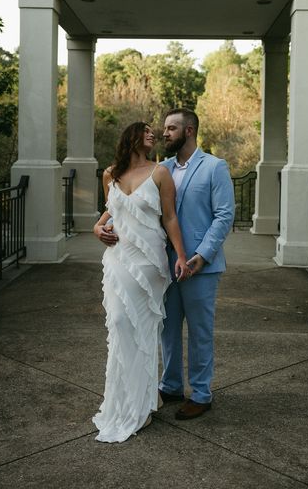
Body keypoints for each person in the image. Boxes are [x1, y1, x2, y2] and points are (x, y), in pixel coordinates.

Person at [92, 122, 190, 443]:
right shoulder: (110, 174)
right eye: (146, 130)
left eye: (154, 131)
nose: (153, 134)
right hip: (119, 257)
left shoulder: (160, 172)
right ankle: (130, 398)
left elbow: (170, 217)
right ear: (131, 136)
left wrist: (180, 255)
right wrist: (97, 228)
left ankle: (145, 404)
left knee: (144, 329)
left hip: (149, 262)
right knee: (120, 322)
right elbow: (110, 213)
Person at [159, 108, 235, 420]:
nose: (165, 133)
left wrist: (202, 256)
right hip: (165, 265)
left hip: (200, 267)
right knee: (167, 329)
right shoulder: (160, 168)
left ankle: (201, 393)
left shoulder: (215, 167)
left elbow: (224, 215)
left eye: (172, 128)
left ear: (189, 131)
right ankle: (171, 385)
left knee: (200, 332)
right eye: (164, 128)